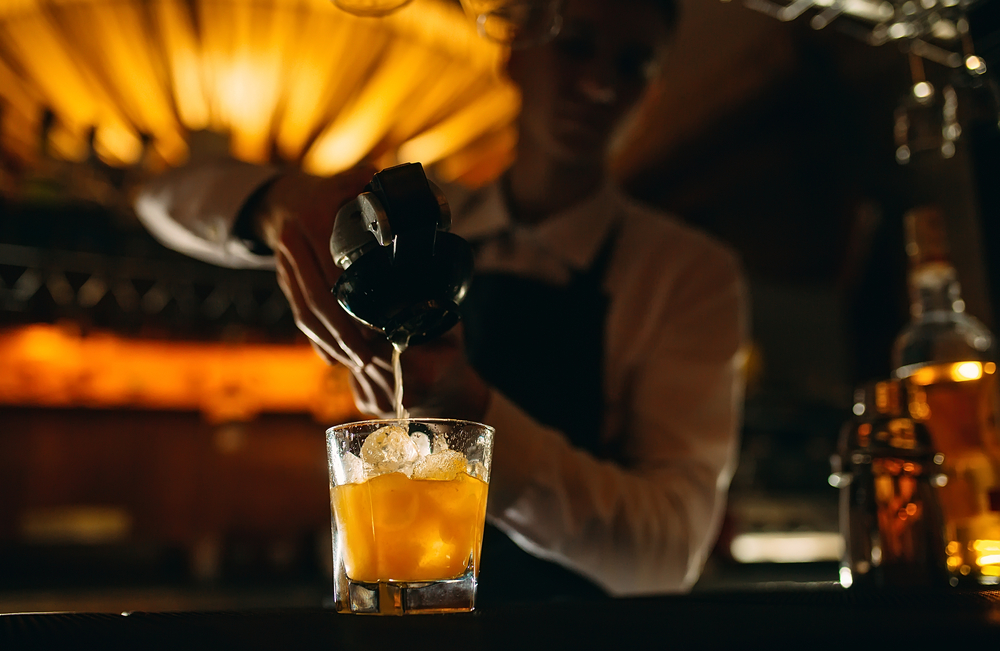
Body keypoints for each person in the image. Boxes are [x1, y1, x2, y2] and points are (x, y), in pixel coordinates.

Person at [135, 0, 748, 599]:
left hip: (575, 641)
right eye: (576, 44)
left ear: (653, 94)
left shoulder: (688, 274)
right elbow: (160, 198)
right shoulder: (413, 229)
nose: (598, 84)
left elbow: (668, 557)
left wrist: (473, 414)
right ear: (515, 52)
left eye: (632, 64)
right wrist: (278, 206)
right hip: (389, 625)